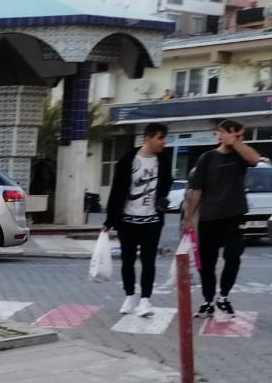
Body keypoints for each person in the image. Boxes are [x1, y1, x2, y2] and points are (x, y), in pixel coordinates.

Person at [183, 120, 262, 319]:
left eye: (241, 136)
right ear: (221, 134)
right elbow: (197, 190)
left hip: (234, 216)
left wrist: (235, 142)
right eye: (237, 135)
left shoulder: (240, 156)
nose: (240, 139)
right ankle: (208, 300)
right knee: (206, 262)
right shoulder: (207, 158)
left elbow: (255, 159)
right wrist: (189, 217)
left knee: (233, 257)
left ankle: (224, 297)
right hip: (209, 218)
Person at [103, 122, 172, 316]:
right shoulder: (128, 160)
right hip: (127, 221)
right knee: (128, 261)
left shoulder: (163, 161)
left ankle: (145, 300)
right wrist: (109, 221)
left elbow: (167, 184)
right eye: (160, 138)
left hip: (152, 221)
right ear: (148, 138)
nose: (164, 142)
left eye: (164, 138)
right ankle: (129, 296)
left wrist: (162, 200)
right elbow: (117, 191)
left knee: (149, 262)